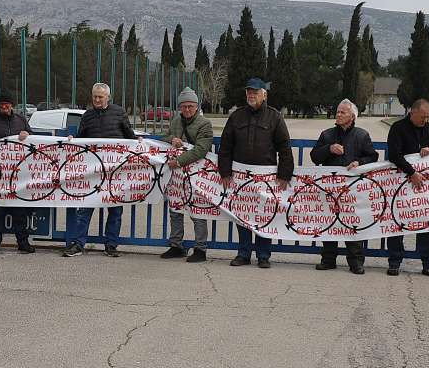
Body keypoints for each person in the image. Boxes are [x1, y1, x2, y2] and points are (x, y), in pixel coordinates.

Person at [218, 78, 294, 268]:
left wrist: (284, 174)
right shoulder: (236, 117)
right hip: (240, 177)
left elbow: (284, 147)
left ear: (264, 94)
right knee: (243, 215)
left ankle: (263, 256)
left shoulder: (275, 117)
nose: (251, 95)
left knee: (264, 215)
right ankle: (243, 254)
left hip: (266, 178)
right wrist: (225, 172)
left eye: (255, 92)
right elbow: (226, 146)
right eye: (249, 92)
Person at [62, 83, 137, 257]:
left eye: (100, 97)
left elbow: (129, 136)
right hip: (92, 171)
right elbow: (81, 139)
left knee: (115, 210)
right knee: (85, 208)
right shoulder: (87, 115)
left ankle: (111, 245)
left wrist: (138, 141)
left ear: (108, 97)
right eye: (94, 96)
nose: (96, 99)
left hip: (115, 170)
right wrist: (74, 139)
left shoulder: (119, 112)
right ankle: (78, 244)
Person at [309, 98, 379, 274]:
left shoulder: (362, 135)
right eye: (338, 112)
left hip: (352, 190)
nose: (338, 115)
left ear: (352, 116)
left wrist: (359, 162)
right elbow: (315, 156)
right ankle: (328, 259)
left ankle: (355, 261)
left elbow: (373, 157)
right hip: (330, 188)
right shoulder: (327, 134)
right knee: (330, 222)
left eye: (343, 112)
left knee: (351, 223)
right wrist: (329, 149)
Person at [386, 98, 429, 277]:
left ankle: (428, 264)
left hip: (423, 186)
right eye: (422, 117)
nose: (425, 120)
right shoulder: (398, 128)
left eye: (428, 117)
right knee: (397, 222)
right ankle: (394, 261)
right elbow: (394, 154)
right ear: (413, 112)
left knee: (427, 223)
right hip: (401, 183)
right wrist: (411, 172)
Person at [159, 87, 214, 263]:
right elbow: (165, 137)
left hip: (197, 175)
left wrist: (179, 161)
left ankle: (200, 249)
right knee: (175, 209)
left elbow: (201, 149)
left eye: (190, 106)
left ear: (197, 107)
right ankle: (176, 245)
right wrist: (171, 140)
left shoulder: (205, 124)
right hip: (177, 176)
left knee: (197, 211)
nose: (187, 109)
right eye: (184, 106)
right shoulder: (176, 121)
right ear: (179, 107)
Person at [0, 91, 35, 254]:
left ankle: (23, 242)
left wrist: (28, 134)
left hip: (18, 175)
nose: (4, 106)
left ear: (12, 104)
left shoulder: (21, 120)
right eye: (2, 103)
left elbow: (33, 143)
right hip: (0, 173)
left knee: (20, 210)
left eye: (7, 103)